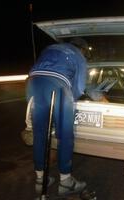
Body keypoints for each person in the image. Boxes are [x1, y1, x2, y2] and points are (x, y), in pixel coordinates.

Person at [26, 37, 90, 196]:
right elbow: (79, 87)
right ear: (82, 49)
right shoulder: (79, 55)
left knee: (40, 134)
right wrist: (70, 103)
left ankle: (41, 180)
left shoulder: (50, 48)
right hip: (58, 85)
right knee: (65, 135)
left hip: (33, 83)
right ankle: (66, 182)